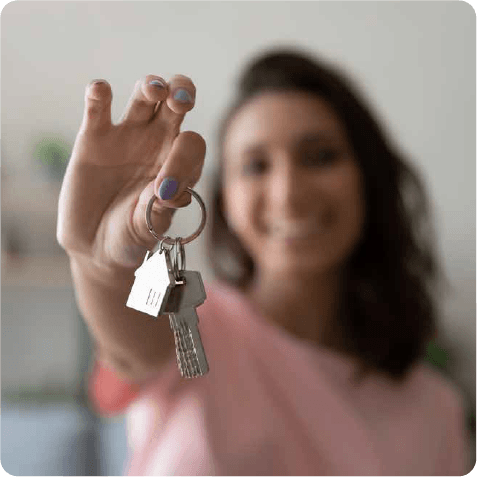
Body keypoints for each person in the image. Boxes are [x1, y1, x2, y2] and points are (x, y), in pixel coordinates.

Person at [57, 47, 473, 476]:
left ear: (368, 178)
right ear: (225, 204)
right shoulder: (189, 320)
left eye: (320, 156)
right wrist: (100, 266)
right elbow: (129, 352)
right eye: (256, 166)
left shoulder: (437, 410)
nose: (288, 194)